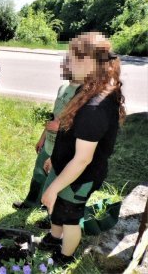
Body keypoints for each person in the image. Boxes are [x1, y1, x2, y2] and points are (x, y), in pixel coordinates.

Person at [39, 32, 126, 266]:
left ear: (87, 60)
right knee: (59, 208)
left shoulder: (95, 106)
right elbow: (68, 136)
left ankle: (64, 256)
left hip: (80, 176)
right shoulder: (87, 89)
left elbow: (82, 160)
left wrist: (53, 189)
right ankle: (53, 237)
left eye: (71, 58)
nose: (67, 62)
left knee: (70, 216)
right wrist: (55, 160)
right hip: (67, 166)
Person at [13, 56, 81, 209]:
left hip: (63, 146)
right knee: (38, 174)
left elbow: (81, 125)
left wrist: (60, 127)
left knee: (55, 179)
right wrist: (42, 138)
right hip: (49, 143)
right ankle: (31, 202)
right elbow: (54, 117)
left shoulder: (81, 93)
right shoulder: (63, 88)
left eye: (67, 65)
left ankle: (50, 212)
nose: (64, 67)